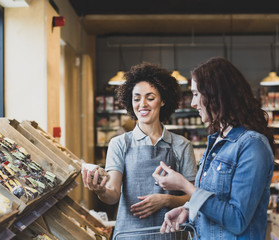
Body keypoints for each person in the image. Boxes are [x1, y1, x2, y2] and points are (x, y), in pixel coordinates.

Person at [153, 57, 275, 239]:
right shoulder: (218, 141)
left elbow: (237, 219)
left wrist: (185, 186)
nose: (193, 103)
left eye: (195, 94)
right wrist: (187, 209)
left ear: (215, 95)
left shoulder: (252, 145)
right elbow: (215, 198)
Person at [82, 62, 197, 239]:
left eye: (150, 98)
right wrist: (100, 190)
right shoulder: (120, 143)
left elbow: (193, 196)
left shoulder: (181, 145)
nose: (142, 104)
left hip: (171, 234)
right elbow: (112, 194)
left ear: (163, 100)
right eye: (136, 98)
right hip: (130, 234)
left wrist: (167, 200)